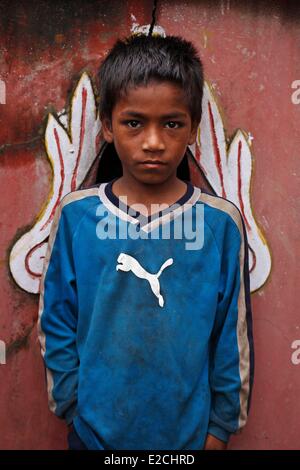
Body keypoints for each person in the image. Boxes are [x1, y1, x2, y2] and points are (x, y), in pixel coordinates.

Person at [38, 34, 254, 451]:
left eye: (171, 124)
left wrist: (220, 428)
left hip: (189, 438)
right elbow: (57, 318)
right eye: (134, 123)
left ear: (192, 128)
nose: (153, 142)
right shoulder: (77, 216)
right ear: (106, 125)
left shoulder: (219, 224)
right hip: (95, 434)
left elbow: (233, 333)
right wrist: (72, 406)